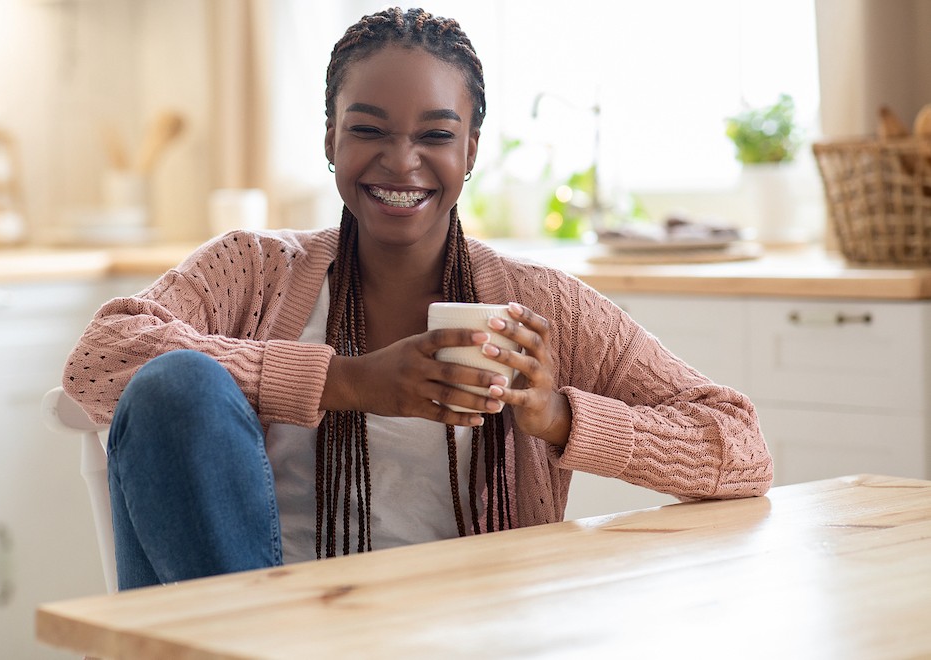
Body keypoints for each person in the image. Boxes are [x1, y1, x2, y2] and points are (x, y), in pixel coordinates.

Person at [64, 6, 772, 591]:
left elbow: (741, 449)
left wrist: (559, 417)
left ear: (470, 152)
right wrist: (349, 379)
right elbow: (98, 363)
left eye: (435, 135)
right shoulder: (252, 269)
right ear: (329, 139)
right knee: (176, 386)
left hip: (463, 633)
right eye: (368, 129)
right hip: (256, 623)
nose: (401, 161)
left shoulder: (540, 304)